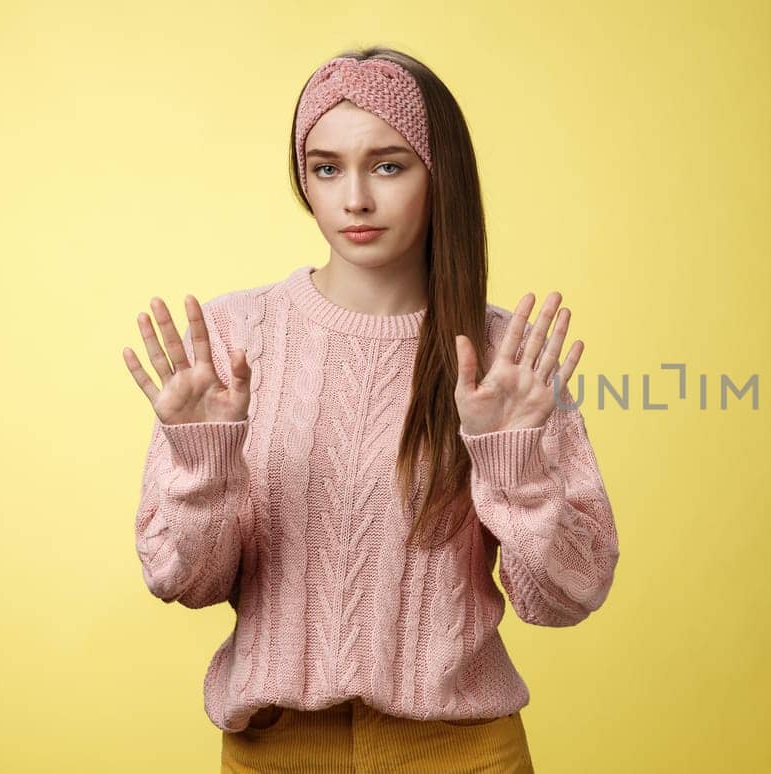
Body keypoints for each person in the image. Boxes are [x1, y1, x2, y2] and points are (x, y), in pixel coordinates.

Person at [121, 46, 620, 772]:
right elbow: (183, 582)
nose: (353, 199)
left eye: (388, 165)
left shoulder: (504, 356)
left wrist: (515, 469)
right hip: (275, 751)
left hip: (460, 752)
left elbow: (569, 595)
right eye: (326, 168)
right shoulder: (232, 341)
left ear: (438, 174)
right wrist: (205, 462)